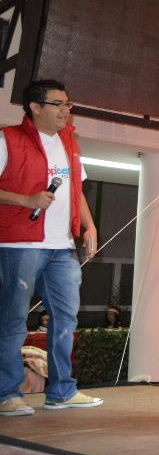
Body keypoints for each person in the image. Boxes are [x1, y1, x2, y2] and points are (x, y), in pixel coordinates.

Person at [0, 79, 102, 417]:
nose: (65, 110)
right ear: (35, 107)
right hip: (20, 244)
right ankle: (6, 395)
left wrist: (89, 225)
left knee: (66, 318)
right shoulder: (7, 139)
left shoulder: (69, 143)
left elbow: (76, 191)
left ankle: (61, 392)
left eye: (68, 104)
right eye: (58, 104)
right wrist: (26, 200)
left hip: (62, 247)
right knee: (13, 319)